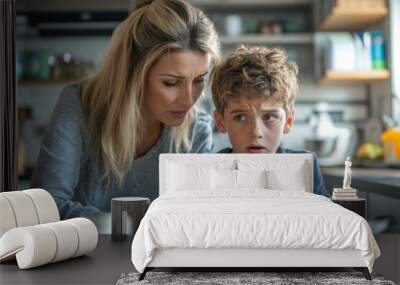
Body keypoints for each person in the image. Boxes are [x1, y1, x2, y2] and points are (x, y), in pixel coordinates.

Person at [31, 0, 220, 222]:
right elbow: (44, 207)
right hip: (83, 256)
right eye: (171, 83)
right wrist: (125, 225)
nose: (189, 100)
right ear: (133, 73)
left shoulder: (197, 127)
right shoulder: (78, 105)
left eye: (198, 80)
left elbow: (198, 218)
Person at [210, 46, 330, 197]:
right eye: (240, 117)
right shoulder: (210, 170)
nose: (256, 133)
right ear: (221, 122)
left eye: (269, 117)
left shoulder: (303, 167)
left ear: (288, 121)